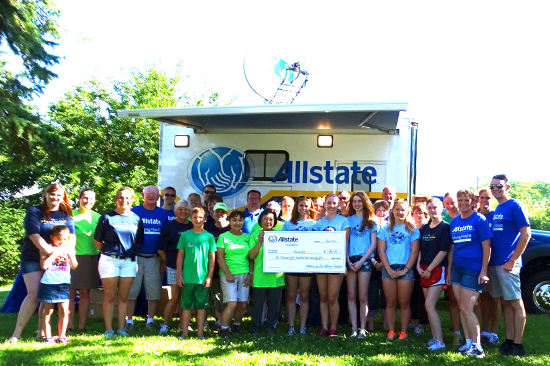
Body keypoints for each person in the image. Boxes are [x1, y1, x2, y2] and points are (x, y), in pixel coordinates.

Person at [8, 183, 75, 344]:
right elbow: (34, 237)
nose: (55, 197)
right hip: (32, 258)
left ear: (63, 196)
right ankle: (17, 333)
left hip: (58, 261)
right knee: (34, 293)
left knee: (46, 296)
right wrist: (53, 254)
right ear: (45, 195)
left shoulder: (65, 215)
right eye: (52, 194)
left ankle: (42, 333)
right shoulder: (34, 212)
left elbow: (71, 239)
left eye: (58, 195)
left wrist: (64, 255)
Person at [487, 174, 531, 356]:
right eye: (492, 187)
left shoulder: (515, 205)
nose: (495, 189)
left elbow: (526, 233)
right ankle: (509, 340)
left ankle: (518, 345)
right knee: (505, 303)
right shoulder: (498, 208)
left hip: (508, 264)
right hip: (495, 263)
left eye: (499, 186)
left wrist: (512, 260)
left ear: (507, 187)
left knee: (515, 302)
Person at [447, 189, 492, 358]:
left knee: (467, 308)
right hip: (457, 269)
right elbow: (452, 248)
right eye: (460, 200)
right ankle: (468, 343)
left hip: (473, 269)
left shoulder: (479, 220)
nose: (463, 203)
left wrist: (484, 271)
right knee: (462, 307)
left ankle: (478, 347)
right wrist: (450, 270)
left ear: (473, 202)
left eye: (466, 200)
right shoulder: (455, 221)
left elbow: (487, 247)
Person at [94, 187, 144, 337]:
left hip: (129, 262)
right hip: (110, 261)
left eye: (128, 198)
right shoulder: (107, 217)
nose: (124, 200)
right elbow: (97, 240)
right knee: (109, 296)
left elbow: (138, 242)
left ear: (132, 200)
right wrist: (110, 252)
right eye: (121, 197)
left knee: (124, 296)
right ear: (116, 199)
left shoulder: (136, 219)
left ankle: (122, 328)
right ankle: (109, 330)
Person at [126, 185, 168, 332]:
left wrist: (164, 259)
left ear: (158, 197)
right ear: (143, 195)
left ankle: (150, 320)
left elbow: (166, 239)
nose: (151, 196)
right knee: (131, 291)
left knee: (153, 291)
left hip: (155, 258)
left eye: (154, 194)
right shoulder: (134, 211)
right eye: (148, 193)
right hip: (135, 258)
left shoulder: (162, 214)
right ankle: (129, 321)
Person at [377, 199, 419, 342]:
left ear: (407, 211)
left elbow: (414, 252)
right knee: (390, 302)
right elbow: (381, 251)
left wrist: (405, 269)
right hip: (388, 269)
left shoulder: (413, 229)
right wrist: (388, 269)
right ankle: (391, 331)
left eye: (403, 210)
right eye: (397, 209)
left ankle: (403, 332)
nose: (400, 212)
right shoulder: (384, 230)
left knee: (404, 303)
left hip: (405, 269)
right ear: (392, 211)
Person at [311, 194, 350, 337]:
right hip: (321, 263)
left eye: (334, 203)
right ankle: (324, 326)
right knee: (323, 297)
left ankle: (333, 327)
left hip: (336, 263)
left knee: (333, 297)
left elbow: (345, 243)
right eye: (329, 203)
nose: (331, 205)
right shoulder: (319, 223)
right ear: (324, 205)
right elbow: (313, 241)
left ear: (338, 204)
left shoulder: (344, 221)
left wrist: (345, 264)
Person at [176, 207, 217, 339]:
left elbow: (212, 258)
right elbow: (180, 256)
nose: (197, 220)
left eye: (200, 217)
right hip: (187, 277)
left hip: (202, 278)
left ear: (205, 219)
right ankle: (185, 333)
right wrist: (179, 274)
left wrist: (209, 276)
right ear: (191, 218)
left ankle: (200, 333)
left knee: (201, 306)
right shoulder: (185, 235)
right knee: (186, 305)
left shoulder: (209, 236)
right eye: (195, 217)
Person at [417, 198, 451, 351]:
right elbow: (419, 249)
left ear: (441, 208)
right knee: (429, 306)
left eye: (435, 207)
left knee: (429, 305)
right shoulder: (424, 228)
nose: (432, 210)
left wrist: (430, 268)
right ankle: (434, 337)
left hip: (437, 270)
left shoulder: (445, 227)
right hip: (423, 270)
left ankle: (441, 341)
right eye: (429, 207)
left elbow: (443, 251)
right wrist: (418, 266)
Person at [282, 196, 317, 335]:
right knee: (290, 296)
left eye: (306, 206)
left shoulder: (314, 224)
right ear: (297, 206)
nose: (304, 208)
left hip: (307, 265)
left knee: (304, 296)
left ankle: (302, 326)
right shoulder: (288, 224)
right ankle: (291, 326)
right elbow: (282, 243)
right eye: (301, 205)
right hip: (291, 264)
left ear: (310, 207)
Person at [68, 188, 100, 334]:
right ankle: (69, 325)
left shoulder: (98, 217)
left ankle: (82, 326)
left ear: (94, 201)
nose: (88, 201)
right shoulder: (69, 215)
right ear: (79, 199)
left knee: (85, 293)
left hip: (90, 259)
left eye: (91, 198)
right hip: (71, 257)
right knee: (70, 293)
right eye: (85, 198)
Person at [346, 191, 378, 339]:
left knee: (363, 296)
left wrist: (361, 261)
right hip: (350, 260)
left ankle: (362, 329)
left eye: (359, 201)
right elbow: (344, 242)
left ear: (364, 203)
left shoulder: (371, 221)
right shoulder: (347, 220)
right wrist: (347, 260)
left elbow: (373, 245)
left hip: (364, 261)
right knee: (351, 295)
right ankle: (353, 327)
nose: (357, 204)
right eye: (354, 201)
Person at [158, 200, 193, 335]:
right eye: (180, 209)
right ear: (175, 211)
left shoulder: (193, 226)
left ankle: (183, 324)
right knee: (175, 297)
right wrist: (169, 263)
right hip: (173, 267)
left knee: (187, 297)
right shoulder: (169, 227)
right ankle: (165, 324)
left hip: (190, 268)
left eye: (186, 209)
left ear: (189, 212)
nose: (183, 212)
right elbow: (161, 249)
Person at [248, 209, 285, 335]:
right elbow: (251, 256)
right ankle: (255, 328)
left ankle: (271, 328)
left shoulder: (281, 235)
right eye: (265, 219)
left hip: (276, 276)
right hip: (259, 276)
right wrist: (260, 242)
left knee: (274, 305)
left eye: (271, 219)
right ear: (260, 221)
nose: (268, 221)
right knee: (257, 305)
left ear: (274, 221)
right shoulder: (254, 235)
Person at [39, 225, 78, 344]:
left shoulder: (69, 249)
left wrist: (70, 256)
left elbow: (74, 266)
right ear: (52, 237)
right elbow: (44, 265)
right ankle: (48, 336)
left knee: (65, 311)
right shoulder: (47, 249)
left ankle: (62, 336)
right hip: (49, 284)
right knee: (48, 311)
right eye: (59, 239)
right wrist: (55, 253)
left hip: (64, 284)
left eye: (65, 239)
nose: (62, 242)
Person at [216, 210, 253, 337]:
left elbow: (251, 257)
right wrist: (227, 273)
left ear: (243, 221)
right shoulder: (223, 237)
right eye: (234, 220)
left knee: (242, 304)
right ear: (229, 221)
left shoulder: (247, 237)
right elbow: (219, 257)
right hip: (228, 275)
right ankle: (224, 328)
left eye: (240, 220)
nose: (237, 223)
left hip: (244, 274)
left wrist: (250, 274)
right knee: (232, 303)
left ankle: (237, 326)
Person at [477, 187, 501, 345]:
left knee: (496, 298)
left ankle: (494, 331)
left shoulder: (497, 216)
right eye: (482, 198)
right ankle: (484, 330)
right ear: (478, 200)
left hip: (495, 262)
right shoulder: (476, 217)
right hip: (478, 264)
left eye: (488, 198)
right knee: (483, 298)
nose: (485, 201)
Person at [442, 191, 462, 345]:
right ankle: (457, 332)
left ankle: (471, 330)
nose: (451, 205)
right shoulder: (444, 221)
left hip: (469, 264)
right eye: (447, 203)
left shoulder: (467, 216)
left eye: (453, 202)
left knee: (471, 302)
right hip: (450, 264)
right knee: (454, 300)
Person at [409, 203, 429, 335]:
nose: (419, 215)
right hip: (410, 266)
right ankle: (413, 320)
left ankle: (422, 323)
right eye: (416, 212)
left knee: (423, 296)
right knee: (412, 295)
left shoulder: (428, 228)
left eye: (421, 212)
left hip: (424, 267)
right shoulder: (409, 229)